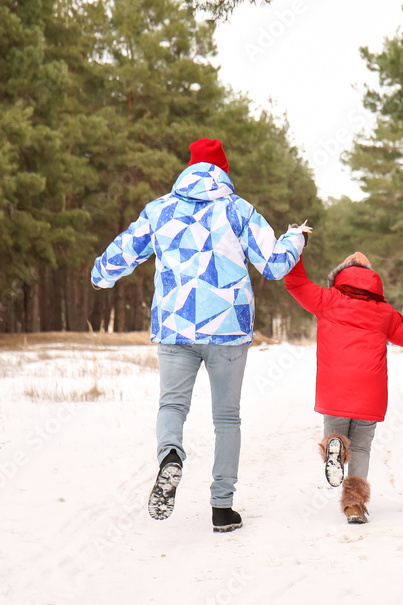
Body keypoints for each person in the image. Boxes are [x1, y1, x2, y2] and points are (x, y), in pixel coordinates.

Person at [91, 137, 311, 533]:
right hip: (228, 329)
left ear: (189, 168)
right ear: (223, 171)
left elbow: (113, 261)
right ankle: (222, 508)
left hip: (176, 327)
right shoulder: (238, 209)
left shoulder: (159, 209)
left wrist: (100, 275)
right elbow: (275, 266)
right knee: (226, 419)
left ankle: (171, 456)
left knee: (172, 406)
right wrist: (297, 236)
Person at [284, 251, 403, 523]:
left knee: (337, 435)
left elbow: (296, 283)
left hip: (335, 389)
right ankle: (354, 504)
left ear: (341, 273)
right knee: (363, 447)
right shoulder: (384, 312)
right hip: (371, 391)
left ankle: (335, 443)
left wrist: (295, 247)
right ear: (372, 279)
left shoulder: (326, 299)